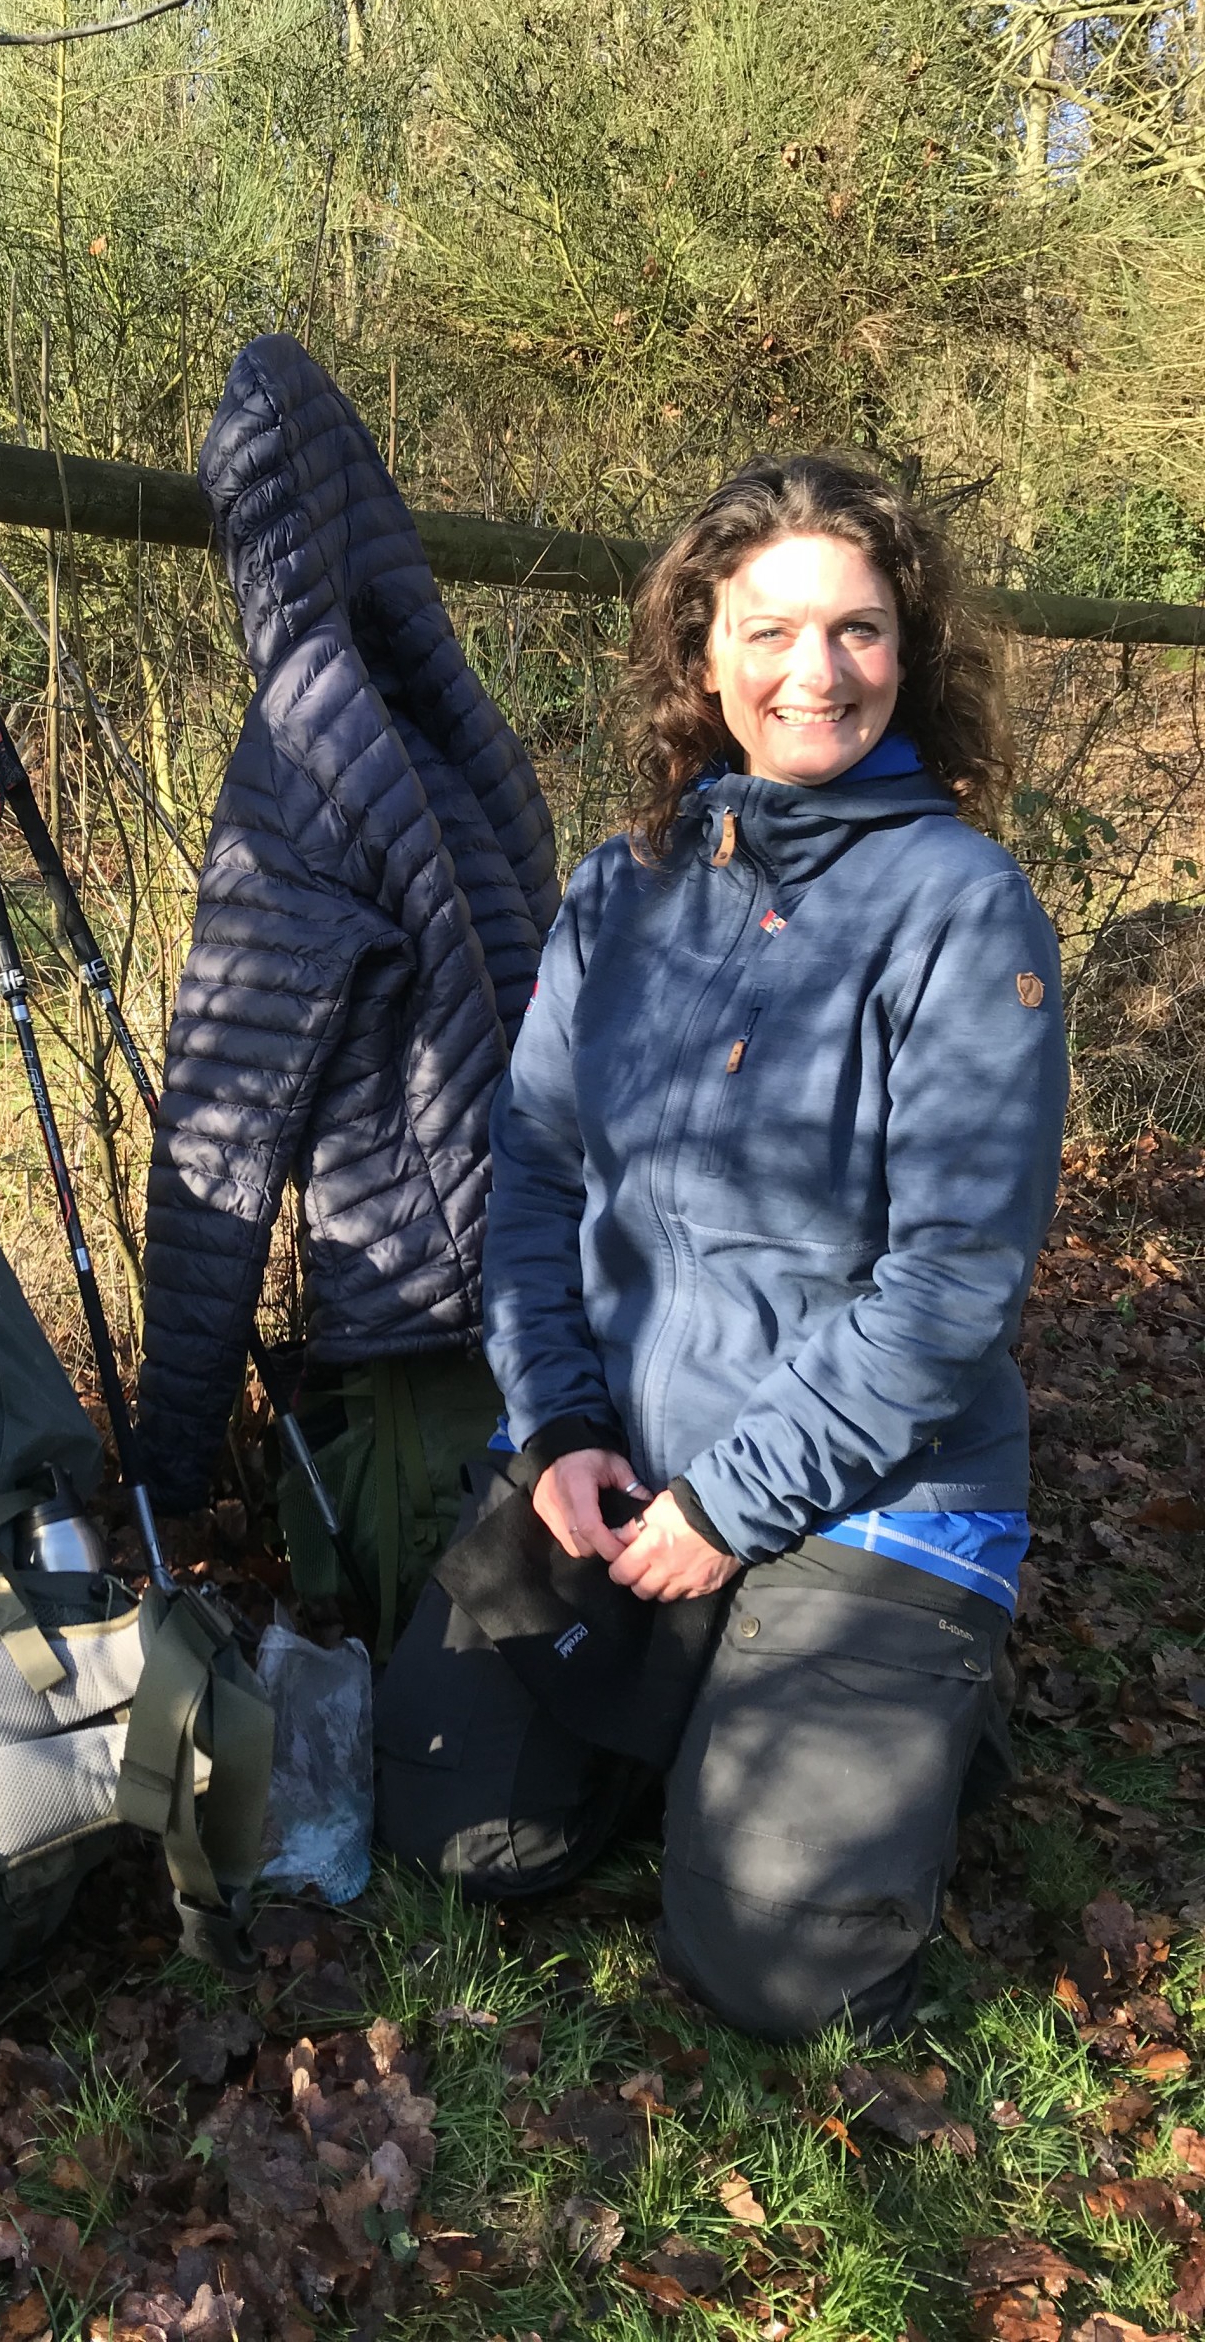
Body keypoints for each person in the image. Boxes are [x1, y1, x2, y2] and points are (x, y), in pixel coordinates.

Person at [373, 452, 1068, 2041]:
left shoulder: (964, 910)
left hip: (874, 1489)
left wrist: (732, 1504)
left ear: (913, 652)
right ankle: (697, 1698)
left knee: (779, 1968)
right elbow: (534, 1172)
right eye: (768, 630)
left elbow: (950, 1285)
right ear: (702, 650)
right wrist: (555, 1427)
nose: (814, 673)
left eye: (860, 631)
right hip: (622, 1459)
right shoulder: (620, 892)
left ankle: (911, 1703)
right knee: (455, 1832)